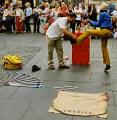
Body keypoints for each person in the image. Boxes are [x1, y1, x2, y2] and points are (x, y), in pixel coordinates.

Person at [76, 3, 112, 71]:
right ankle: (108, 64)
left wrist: (90, 21)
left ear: (101, 8)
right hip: (108, 32)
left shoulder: (102, 14)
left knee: (88, 31)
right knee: (104, 48)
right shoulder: (107, 14)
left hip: (103, 31)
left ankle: (77, 41)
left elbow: (97, 24)